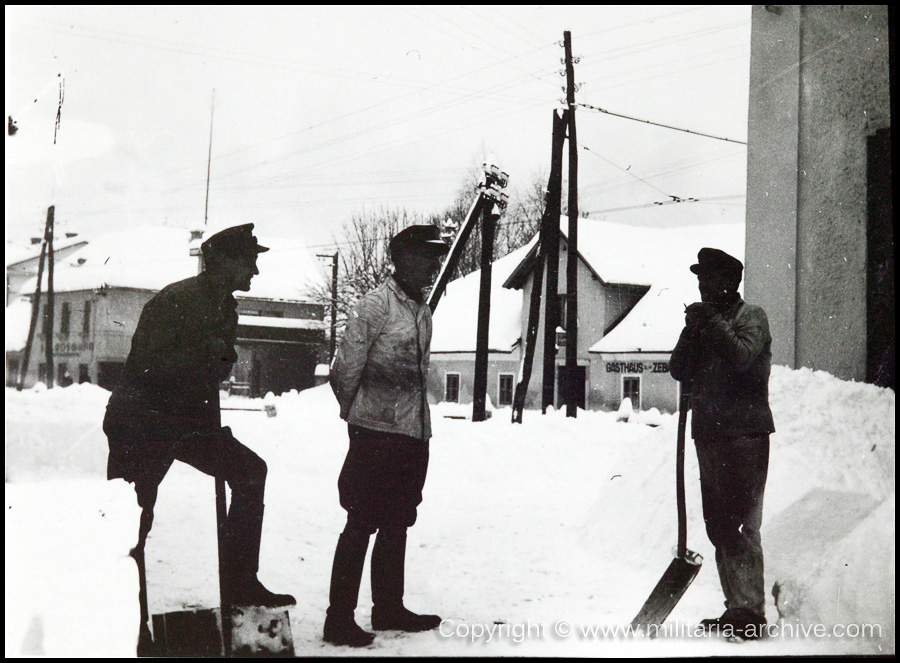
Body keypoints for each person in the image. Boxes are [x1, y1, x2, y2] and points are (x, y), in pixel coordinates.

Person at [103, 223, 295, 610]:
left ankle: (241, 583)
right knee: (134, 515)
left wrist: (217, 359)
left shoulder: (225, 305)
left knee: (249, 471)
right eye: (250, 262)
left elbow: (218, 366)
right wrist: (202, 356)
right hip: (141, 421)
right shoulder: (177, 299)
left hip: (188, 422)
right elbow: (147, 367)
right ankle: (116, 606)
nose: (255, 271)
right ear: (223, 262)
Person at [324, 225, 449, 647]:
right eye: (428, 256)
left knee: (399, 518)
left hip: (413, 434)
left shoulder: (421, 310)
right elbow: (344, 373)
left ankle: (388, 608)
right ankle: (337, 618)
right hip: (375, 434)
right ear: (403, 258)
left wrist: (412, 427)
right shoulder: (372, 307)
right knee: (361, 521)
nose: (434, 265)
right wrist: (361, 419)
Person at [669, 247, 775, 641]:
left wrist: (710, 322)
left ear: (729, 281)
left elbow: (743, 357)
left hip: (745, 435)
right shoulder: (707, 323)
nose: (701, 284)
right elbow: (679, 369)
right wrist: (689, 333)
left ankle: (751, 613)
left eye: (708, 277)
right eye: (699, 278)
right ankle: (736, 609)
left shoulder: (751, 317)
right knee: (720, 525)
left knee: (744, 523)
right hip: (709, 433)